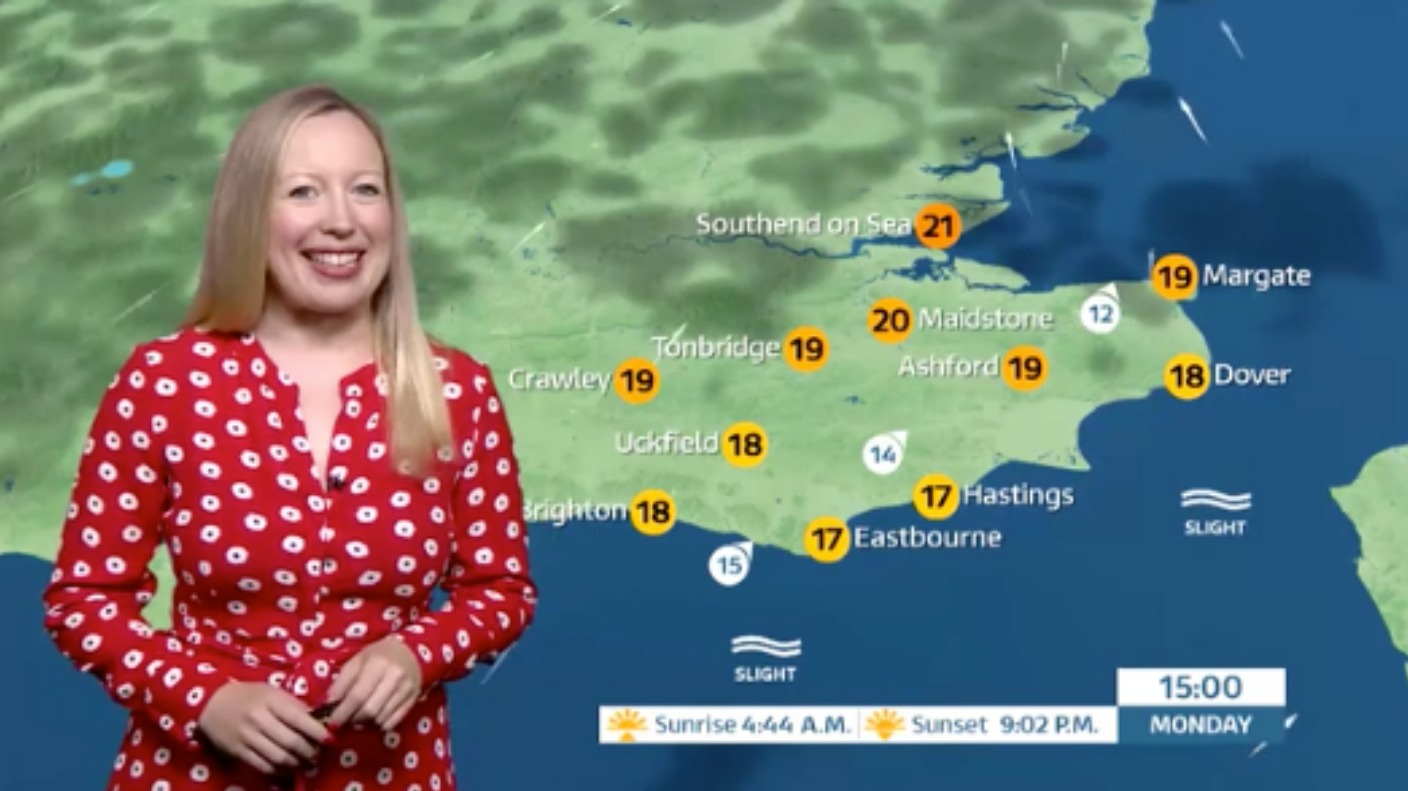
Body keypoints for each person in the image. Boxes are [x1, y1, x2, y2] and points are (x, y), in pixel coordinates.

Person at [41, 84, 537, 790]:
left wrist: (416, 653)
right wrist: (203, 697)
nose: (341, 220)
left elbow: (500, 589)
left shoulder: (457, 390)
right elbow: (84, 599)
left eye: (365, 190)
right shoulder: (164, 381)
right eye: (303, 191)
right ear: (249, 213)